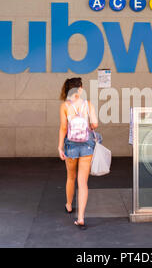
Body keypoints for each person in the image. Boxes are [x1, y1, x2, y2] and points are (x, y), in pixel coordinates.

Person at [58, 77, 98, 230]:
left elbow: (63, 128)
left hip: (71, 145)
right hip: (87, 145)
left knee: (70, 177)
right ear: (80, 89)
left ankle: (69, 205)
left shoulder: (65, 106)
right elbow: (94, 124)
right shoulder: (88, 105)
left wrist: (60, 147)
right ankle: (81, 217)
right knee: (83, 182)